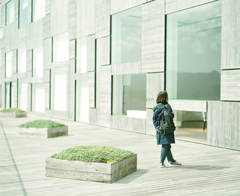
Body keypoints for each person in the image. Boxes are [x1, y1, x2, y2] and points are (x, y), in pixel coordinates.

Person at [152, 91, 182, 168]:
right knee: (165, 145)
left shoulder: (156, 107)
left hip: (160, 129)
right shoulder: (167, 106)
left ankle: (171, 161)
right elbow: (170, 116)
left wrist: (157, 127)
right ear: (165, 98)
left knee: (166, 145)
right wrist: (173, 114)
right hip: (167, 129)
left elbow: (154, 118)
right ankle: (161, 162)